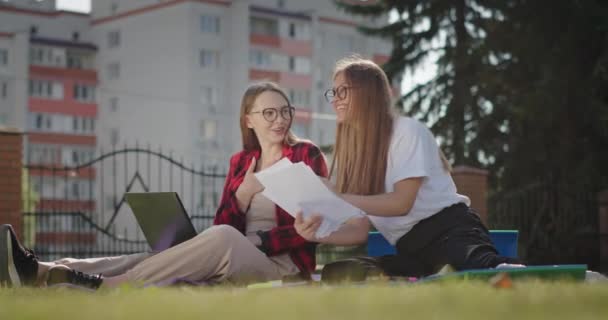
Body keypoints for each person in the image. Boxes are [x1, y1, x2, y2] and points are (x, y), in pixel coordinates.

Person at [0, 82, 327, 289]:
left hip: (282, 267)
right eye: (269, 112)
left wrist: (259, 240)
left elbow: (312, 224)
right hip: (238, 253)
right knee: (155, 255)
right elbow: (224, 224)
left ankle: (110, 286)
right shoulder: (241, 162)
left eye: (285, 111)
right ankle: (44, 270)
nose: (279, 119)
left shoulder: (304, 155)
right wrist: (243, 193)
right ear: (248, 120)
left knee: (221, 239)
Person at [294, 56, 522, 281]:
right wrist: (317, 234)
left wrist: (340, 196)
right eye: (333, 93)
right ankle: (432, 277)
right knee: (338, 272)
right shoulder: (353, 160)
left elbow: (402, 203)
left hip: (450, 232)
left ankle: (519, 272)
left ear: (368, 91)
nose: (335, 100)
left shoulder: (407, 131)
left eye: (342, 91)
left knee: (480, 268)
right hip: (411, 251)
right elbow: (358, 230)